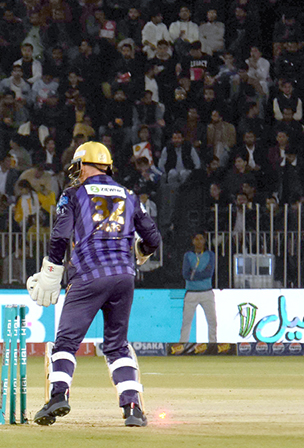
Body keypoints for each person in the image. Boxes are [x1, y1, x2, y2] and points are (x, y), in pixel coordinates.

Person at [26, 141, 162, 427]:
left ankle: (58, 397)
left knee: (65, 343)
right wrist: (140, 252)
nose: (75, 173)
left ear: (84, 165)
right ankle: (133, 409)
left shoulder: (73, 194)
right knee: (117, 346)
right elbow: (153, 239)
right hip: (124, 276)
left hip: (88, 275)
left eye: (77, 167)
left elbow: (61, 236)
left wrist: (52, 269)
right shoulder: (129, 195)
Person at [179, 231, 218, 344]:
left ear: (205, 240)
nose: (199, 241)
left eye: (201, 239)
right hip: (191, 293)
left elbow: (209, 273)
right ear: (193, 241)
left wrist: (194, 274)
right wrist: (197, 274)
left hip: (207, 292)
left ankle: (213, 344)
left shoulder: (210, 255)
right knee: (187, 321)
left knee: (212, 321)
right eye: (197, 239)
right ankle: (183, 344)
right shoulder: (188, 255)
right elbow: (185, 274)